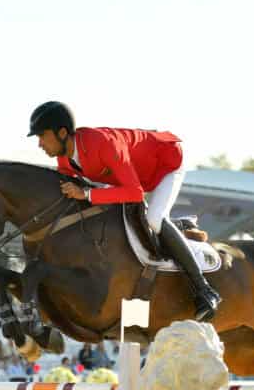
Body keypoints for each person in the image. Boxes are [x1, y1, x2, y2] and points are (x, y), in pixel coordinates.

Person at [28, 101, 220, 321]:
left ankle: (205, 290)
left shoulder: (103, 143)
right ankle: (178, 226)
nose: (40, 144)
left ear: (62, 133)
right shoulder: (64, 159)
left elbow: (135, 193)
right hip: (134, 174)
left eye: (42, 136)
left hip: (166, 161)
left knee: (155, 219)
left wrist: (87, 195)